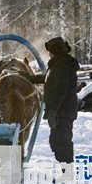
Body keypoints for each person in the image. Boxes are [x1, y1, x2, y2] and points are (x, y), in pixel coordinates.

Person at [26, 37, 79, 167]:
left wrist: (53, 112)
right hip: (60, 110)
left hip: (63, 111)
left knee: (63, 141)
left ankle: (67, 172)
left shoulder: (62, 65)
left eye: (50, 51)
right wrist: (31, 78)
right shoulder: (59, 64)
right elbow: (49, 78)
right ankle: (65, 168)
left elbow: (61, 91)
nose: (48, 53)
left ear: (55, 51)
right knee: (56, 141)